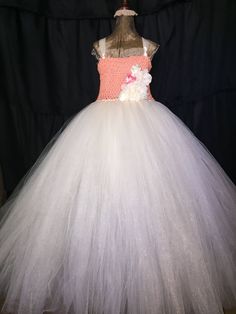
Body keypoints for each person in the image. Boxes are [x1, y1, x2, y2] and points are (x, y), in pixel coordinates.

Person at [0, 2, 236, 314]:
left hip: (149, 131)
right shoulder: (100, 46)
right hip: (101, 130)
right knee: (100, 205)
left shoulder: (148, 46)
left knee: (150, 208)